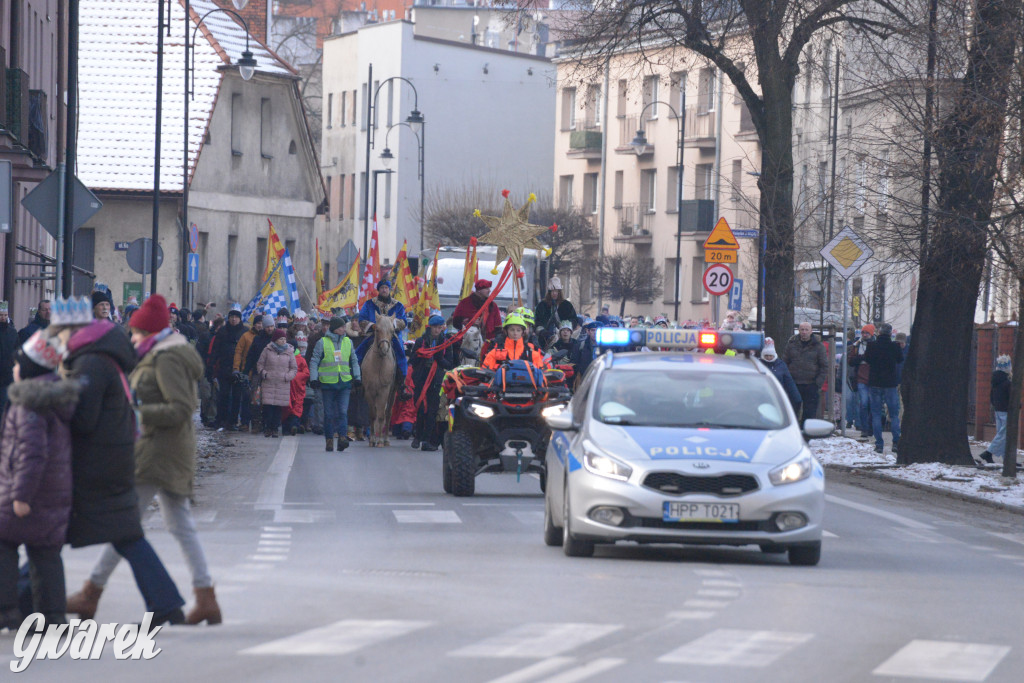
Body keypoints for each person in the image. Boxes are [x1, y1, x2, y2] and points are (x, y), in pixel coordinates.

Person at [77, 294, 221, 626]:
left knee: (125, 523)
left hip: (160, 452)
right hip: (161, 450)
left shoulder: (167, 358)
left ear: (150, 332)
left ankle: (91, 592)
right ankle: (205, 597)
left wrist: (136, 412)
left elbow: (181, 408)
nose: (132, 337)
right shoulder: (156, 353)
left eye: (137, 332)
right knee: (177, 525)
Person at [53, 298, 186, 625]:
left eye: (58, 332)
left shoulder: (91, 364)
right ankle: (166, 602)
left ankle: (22, 599)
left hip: (98, 463)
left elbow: (84, 419)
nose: (56, 339)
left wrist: (55, 402)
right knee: (124, 534)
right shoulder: (100, 358)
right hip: (111, 458)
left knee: (49, 533)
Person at [0, 332, 79, 630]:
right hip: (53, 491)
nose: (13, 370)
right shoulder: (54, 397)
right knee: (45, 553)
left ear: (30, 369)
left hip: (28, 491)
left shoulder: (29, 403)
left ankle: (6, 610)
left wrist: (21, 496)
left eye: (17, 365)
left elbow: (32, 454)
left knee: (4, 544)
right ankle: (52, 616)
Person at [310, 317, 361, 452]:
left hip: (344, 383)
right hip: (327, 384)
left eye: (344, 327)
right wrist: (314, 378)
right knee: (329, 414)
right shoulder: (322, 342)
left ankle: (342, 438)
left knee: (343, 412)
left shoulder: (348, 342)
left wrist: (357, 377)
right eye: (341, 327)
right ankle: (329, 440)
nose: (344, 329)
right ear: (334, 328)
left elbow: (354, 361)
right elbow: (314, 361)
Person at [411, 315, 455, 451]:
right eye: (434, 327)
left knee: (432, 411)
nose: (437, 330)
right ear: (429, 328)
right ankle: (417, 436)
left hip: (436, 381)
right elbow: (412, 360)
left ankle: (426, 439)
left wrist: (439, 358)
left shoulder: (446, 343)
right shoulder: (420, 341)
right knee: (420, 409)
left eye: (439, 327)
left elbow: (450, 364)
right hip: (421, 379)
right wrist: (420, 354)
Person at [355, 281, 409, 381]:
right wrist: (373, 326)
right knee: (359, 352)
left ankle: (402, 382)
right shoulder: (369, 304)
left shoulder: (398, 305)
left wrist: (389, 325)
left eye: (386, 288)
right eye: (382, 288)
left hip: (393, 336)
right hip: (374, 334)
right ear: (378, 290)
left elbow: (404, 322)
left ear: (389, 290)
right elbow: (362, 320)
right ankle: (356, 377)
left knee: (400, 353)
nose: (384, 290)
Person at [864, 322, 903, 454]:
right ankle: (896, 442)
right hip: (890, 384)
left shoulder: (872, 345)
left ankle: (879, 444)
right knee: (894, 414)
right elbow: (900, 359)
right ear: (891, 333)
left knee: (875, 414)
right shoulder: (895, 346)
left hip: (875, 383)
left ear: (879, 332)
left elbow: (867, 359)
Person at [782, 321, 827, 425]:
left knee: (810, 412)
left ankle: (807, 434)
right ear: (799, 331)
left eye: (806, 330)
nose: (804, 332)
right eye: (802, 329)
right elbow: (784, 362)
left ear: (811, 331)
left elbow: (824, 366)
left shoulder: (818, 346)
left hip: (811, 384)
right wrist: (788, 380)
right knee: (792, 410)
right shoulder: (791, 345)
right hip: (794, 383)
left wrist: (818, 383)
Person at [210, 308, 248, 430]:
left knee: (237, 397)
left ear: (240, 319)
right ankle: (221, 419)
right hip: (224, 368)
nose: (233, 319)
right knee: (224, 395)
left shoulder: (244, 332)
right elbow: (215, 350)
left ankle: (232, 421)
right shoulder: (222, 331)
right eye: (231, 317)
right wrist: (211, 366)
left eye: (236, 317)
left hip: (239, 369)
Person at [256, 329, 297, 438]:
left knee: (278, 409)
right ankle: (267, 428)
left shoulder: (289, 352)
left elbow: (294, 368)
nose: (283, 341)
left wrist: (287, 376)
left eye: (284, 339)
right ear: (275, 339)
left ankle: (275, 429)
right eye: (280, 339)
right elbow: (260, 364)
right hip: (268, 382)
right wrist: (264, 373)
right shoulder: (267, 350)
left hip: (282, 384)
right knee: (268, 408)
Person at [978, 354, 1011, 466]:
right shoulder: (1007, 382)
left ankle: (1007, 459)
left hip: (997, 410)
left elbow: (991, 396)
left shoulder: (995, 380)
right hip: (1006, 411)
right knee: (1003, 434)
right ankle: (988, 452)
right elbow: (1011, 398)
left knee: (1001, 435)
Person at [482, 314, 547, 370]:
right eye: (512, 330)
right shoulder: (495, 353)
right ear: (506, 331)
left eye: (518, 330)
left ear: (523, 332)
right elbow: (486, 373)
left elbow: (541, 376)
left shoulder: (532, 354)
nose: (515, 333)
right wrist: (498, 367)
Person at [759, 338, 802, 412]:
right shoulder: (758, 364)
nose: (769, 358)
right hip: (762, 397)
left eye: (770, 355)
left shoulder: (781, 365)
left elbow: (789, 382)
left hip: (777, 398)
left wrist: (796, 398)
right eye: (766, 355)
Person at [849, 325, 875, 440]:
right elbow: (851, 361)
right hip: (861, 378)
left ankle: (870, 427)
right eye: (863, 333)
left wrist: (863, 358)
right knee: (864, 403)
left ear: (872, 334)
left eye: (867, 333)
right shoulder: (857, 345)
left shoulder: (875, 345)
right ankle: (864, 428)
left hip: (874, 379)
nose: (864, 335)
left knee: (872, 404)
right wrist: (862, 358)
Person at [534, 277, 578, 341]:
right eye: (552, 291)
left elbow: (574, 319)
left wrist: (566, 327)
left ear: (559, 292)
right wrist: (541, 331)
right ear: (549, 292)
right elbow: (537, 321)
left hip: (564, 338)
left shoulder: (567, 305)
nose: (554, 293)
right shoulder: (542, 305)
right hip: (544, 339)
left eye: (556, 291)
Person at [284, 333, 310, 435]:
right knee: (287, 407)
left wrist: (294, 377)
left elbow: (306, 373)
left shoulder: (301, 360)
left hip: (298, 388)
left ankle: (294, 425)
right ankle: (287, 428)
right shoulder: (284, 358)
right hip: (287, 388)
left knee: (297, 407)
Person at [0, 302, 19, 410]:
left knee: (4, 406)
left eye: (5, 315)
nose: (3, 318)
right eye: (0, 315)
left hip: (7, 376)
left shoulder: (12, 333)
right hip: (7, 375)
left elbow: (17, 351)